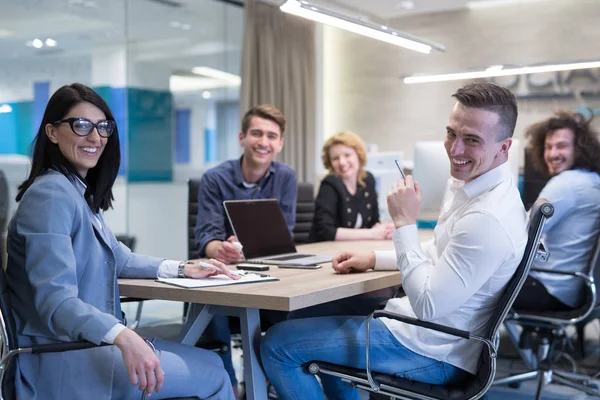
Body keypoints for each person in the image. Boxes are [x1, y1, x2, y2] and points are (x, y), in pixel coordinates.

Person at [260, 82, 528, 400]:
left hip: (432, 350)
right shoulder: (476, 187)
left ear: (504, 147)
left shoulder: (487, 218)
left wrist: (404, 223)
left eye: (471, 140)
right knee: (304, 317)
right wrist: (374, 258)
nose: (455, 150)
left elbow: (428, 305)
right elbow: (440, 253)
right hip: (430, 335)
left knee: (277, 345)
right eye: (451, 133)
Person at [5, 83, 237, 400]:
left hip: (83, 347)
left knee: (210, 361)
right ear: (52, 132)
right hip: (63, 361)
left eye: (103, 127)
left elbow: (120, 259)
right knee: (214, 373)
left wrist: (185, 269)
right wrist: (125, 337)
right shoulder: (50, 195)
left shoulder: (74, 192)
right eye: (81, 125)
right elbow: (55, 301)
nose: (96, 137)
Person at [193, 104, 297, 392]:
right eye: (257, 133)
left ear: (280, 144)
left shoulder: (286, 177)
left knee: (302, 304)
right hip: (227, 275)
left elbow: (283, 234)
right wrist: (218, 249)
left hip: (269, 272)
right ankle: (224, 385)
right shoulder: (215, 178)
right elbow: (206, 236)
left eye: (272, 136)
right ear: (242, 137)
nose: (264, 142)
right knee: (209, 303)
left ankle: (270, 378)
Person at [512, 110, 600, 312]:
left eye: (561, 146)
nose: (552, 154)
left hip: (551, 289)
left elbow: (519, 233)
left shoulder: (566, 183)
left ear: (580, 149)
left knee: (478, 287)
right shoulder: (593, 180)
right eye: (548, 147)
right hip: (575, 289)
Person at [310, 131, 394, 242]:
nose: (342, 162)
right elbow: (325, 231)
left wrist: (386, 229)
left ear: (358, 155)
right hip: (326, 251)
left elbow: (373, 222)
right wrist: (371, 234)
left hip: (357, 249)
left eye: (347, 155)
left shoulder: (368, 180)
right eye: (335, 158)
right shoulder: (329, 184)